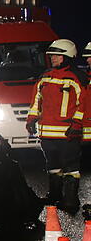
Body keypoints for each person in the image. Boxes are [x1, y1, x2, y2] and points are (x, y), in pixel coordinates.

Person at [26, 39, 86, 212]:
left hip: (68, 133)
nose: (52, 58)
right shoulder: (45, 77)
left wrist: (76, 124)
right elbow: (36, 100)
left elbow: (82, 104)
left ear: (67, 57)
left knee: (71, 168)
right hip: (47, 134)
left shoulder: (76, 78)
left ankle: (70, 200)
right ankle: (54, 196)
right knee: (53, 167)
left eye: (56, 56)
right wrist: (31, 119)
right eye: (52, 55)